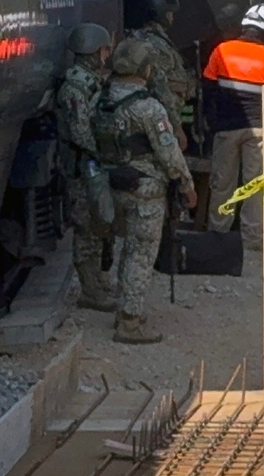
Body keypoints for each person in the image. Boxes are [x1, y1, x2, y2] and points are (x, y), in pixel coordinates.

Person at [91, 41, 199, 344]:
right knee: (140, 254)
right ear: (145, 69)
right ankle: (130, 322)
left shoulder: (101, 100)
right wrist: (187, 185)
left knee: (128, 249)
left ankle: (125, 307)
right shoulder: (149, 107)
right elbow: (170, 154)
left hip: (112, 184)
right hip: (146, 190)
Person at [202, 5, 264, 250]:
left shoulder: (221, 50)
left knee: (222, 183)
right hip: (259, 131)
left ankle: (217, 235)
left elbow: (208, 88)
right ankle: (251, 241)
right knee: (255, 184)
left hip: (225, 128)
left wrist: (211, 121)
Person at [59, 22, 116, 312]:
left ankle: (97, 282)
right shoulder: (76, 87)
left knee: (99, 225)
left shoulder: (90, 81)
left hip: (91, 165)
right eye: (105, 49)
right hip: (83, 168)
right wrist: (105, 151)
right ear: (94, 51)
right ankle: (90, 290)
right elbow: (81, 133)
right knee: (86, 229)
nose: (108, 54)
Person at [128, 0, 193, 151]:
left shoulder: (149, 37)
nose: (172, 17)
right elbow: (160, 85)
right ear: (162, 14)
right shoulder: (154, 43)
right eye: (170, 13)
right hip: (163, 116)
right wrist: (177, 126)